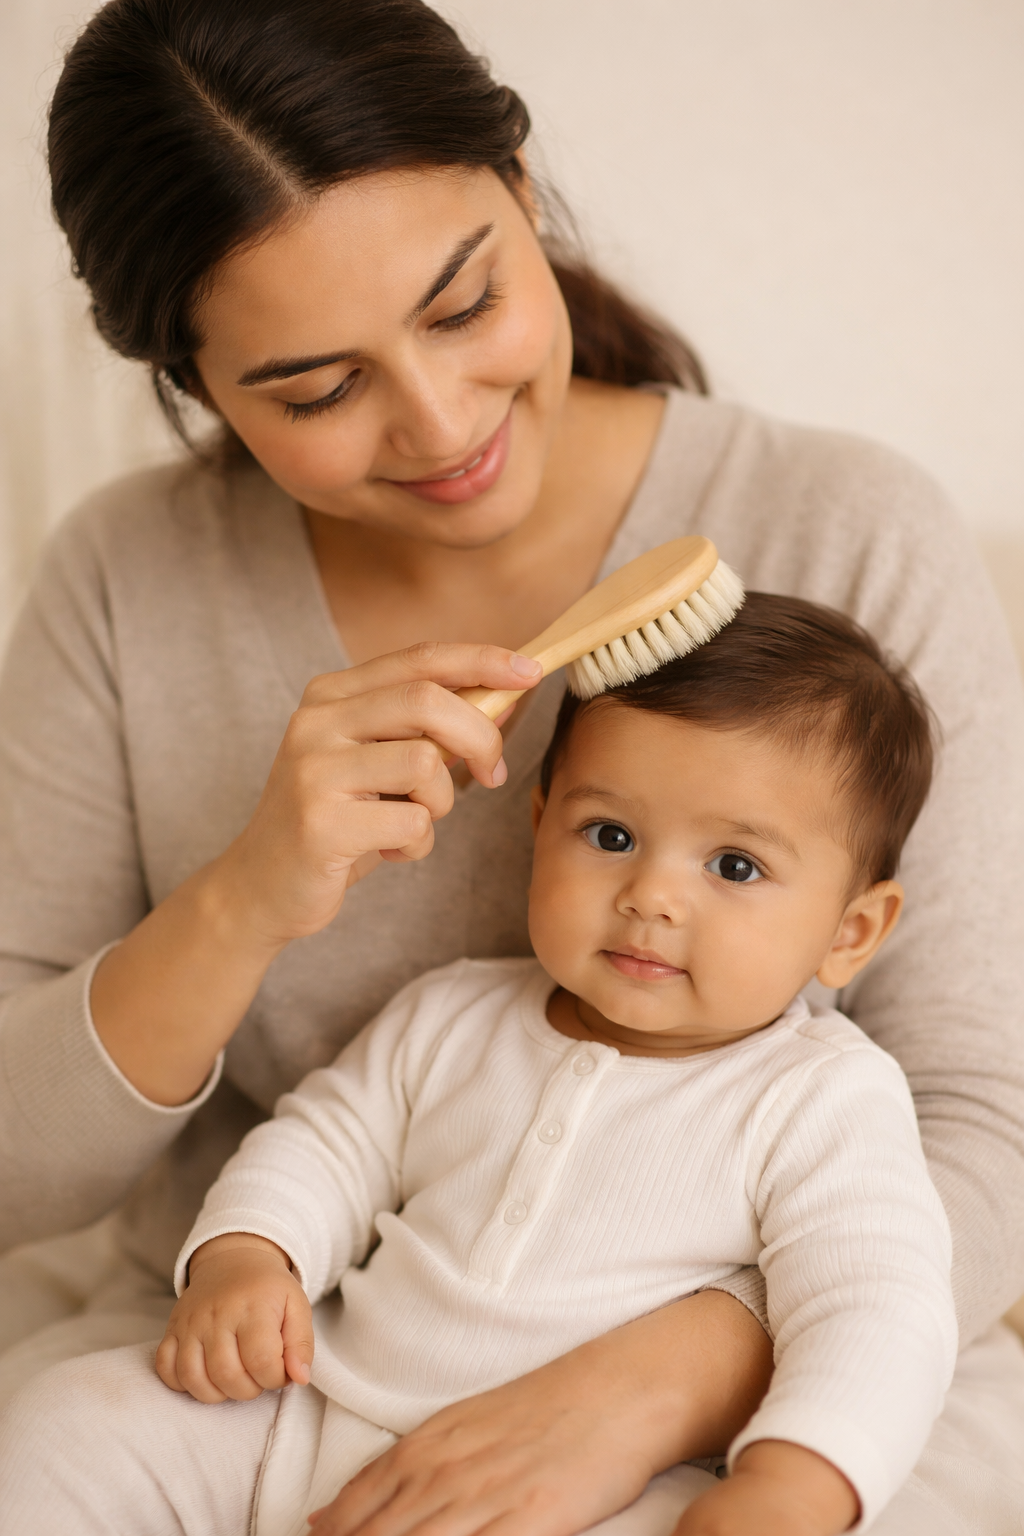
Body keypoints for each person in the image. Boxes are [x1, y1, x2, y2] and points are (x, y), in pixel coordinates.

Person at [0, 2, 1021, 1533]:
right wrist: (242, 901)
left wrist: (660, 1382)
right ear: (193, 378)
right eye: (317, 389)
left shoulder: (849, 527)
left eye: (465, 304)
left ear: (522, 188)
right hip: (304, 1368)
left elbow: (984, 1119)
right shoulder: (127, 583)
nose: (439, 424)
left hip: (769, 1386)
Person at [0, 595, 959, 1535]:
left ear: (851, 931)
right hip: (312, 1410)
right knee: (68, 1423)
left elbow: (876, 1305)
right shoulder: (453, 1012)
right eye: (611, 836)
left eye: (735, 866)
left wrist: (795, 1484)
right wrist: (251, 1256)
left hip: (595, 1490)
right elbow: (326, 1145)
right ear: (540, 825)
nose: (652, 896)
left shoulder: (823, 1097)